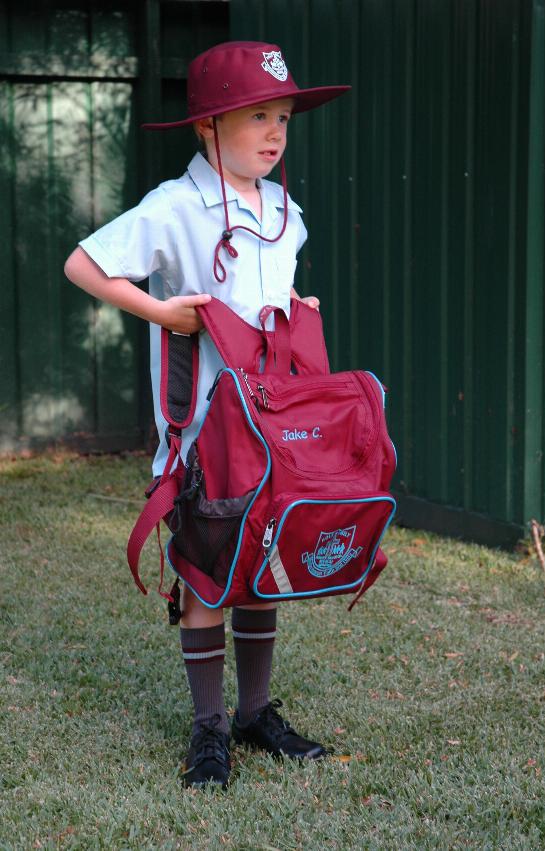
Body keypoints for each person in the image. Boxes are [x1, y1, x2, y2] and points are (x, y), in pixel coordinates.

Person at [64, 40, 350, 789]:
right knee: (204, 576)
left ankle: (254, 712)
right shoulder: (175, 205)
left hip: (273, 430)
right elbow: (83, 264)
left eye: (282, 116)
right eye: (255, 114)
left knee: (261, 567)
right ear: (206, 128)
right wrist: (160, 309)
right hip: (203, 433)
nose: (273, 131)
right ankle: (208, 730)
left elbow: (272, 300)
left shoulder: (285, 209)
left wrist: (298, 311)